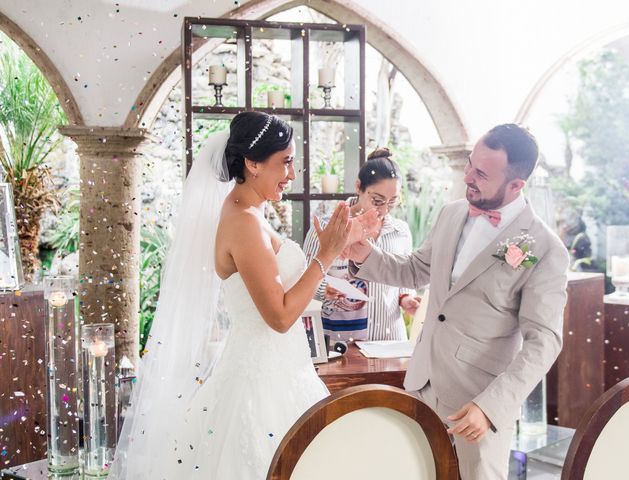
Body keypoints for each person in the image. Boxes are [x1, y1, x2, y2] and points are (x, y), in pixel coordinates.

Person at [109, 112, 376, 479]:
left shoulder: (252, 213)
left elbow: (274, 289)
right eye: (285, 162)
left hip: (285, 372)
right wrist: (326, 255)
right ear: (252, 163)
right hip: (261, 384)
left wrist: (331, 267)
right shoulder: (243, 221)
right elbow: (279, 316)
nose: (292, 175)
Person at [345, 124, 569, 480]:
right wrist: (365, 254)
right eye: (469, 164)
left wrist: (491, 406)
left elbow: (544, 342)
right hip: (420, 385)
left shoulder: (545, 249)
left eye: (481, 173)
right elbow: (417, 268)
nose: (468, 177)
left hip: (476, 406)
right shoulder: (452, 213)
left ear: (516, 185)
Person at [303, 147, 421, 342]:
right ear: (359, 187)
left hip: (389, 344)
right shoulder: (326, 228)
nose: (384, 209)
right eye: (377, 200)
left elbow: (402, 280)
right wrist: (325, 290)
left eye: (392, 202)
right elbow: (303, 281)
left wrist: (406, 299)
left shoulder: (401, 231)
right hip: (339, 345)